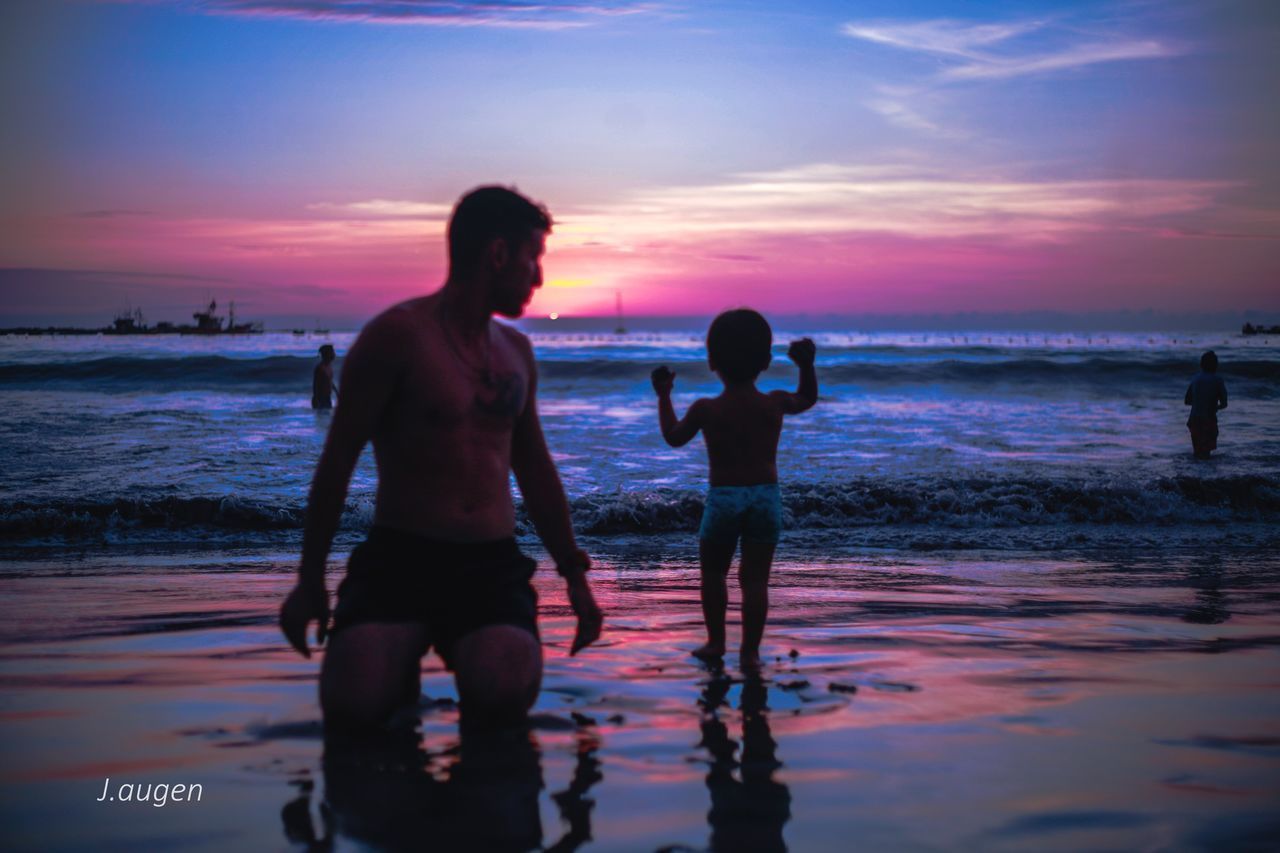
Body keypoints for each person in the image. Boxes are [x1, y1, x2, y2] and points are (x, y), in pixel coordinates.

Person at [279, 185, 603, 731]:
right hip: (398, 560)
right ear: (497, 254)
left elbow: (537, 469)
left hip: (490, 565)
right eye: (534, 258)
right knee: (353, 705)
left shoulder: (517, 354)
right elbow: (336, 463)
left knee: (504, 690)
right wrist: (310, 580)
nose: (540, 278)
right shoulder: (397, 338)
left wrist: (575, 574)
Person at [651, 309, 817, 669]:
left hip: (724, 499)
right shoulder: (773, 402)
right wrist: (806, 365)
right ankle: (750, 652)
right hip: (765, 499)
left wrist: (664, 395)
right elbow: (806, 398)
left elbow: (673, 437)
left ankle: (715, 643)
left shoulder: (706, 409)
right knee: (755, 580)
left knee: (714, 574)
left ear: (712, 361)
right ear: (767, 360)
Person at [1185, 350, 1228, 460]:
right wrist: (1215, 407)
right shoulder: (1218, 380)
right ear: (1216, 365)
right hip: (1208, 419)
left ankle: (1194, 475)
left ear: (1201, 365)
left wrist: (1199, 402)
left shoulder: (1195, 378)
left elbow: (1187, 400)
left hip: (1194, 419)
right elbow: (1224, 404)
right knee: (1206, 454)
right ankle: (1207, 476)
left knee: (1197, 452)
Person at [312, 344, 338, 410]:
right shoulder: (320, 368)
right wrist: (315, 398)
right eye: (332, 352)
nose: (334, 354)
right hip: (320, 399)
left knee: (326, 418)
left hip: (327, 398)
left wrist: (336, 392)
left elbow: (330, 381)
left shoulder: (329, 367)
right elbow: (315, 384)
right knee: (322, 417)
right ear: (326, 354)